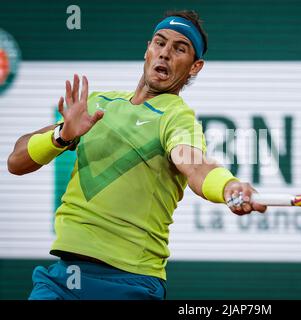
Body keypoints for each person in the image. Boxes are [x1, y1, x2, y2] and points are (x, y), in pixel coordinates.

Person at [7, 10, 266, 300]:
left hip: (130, 283)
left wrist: (227, 186)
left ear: (195, 67)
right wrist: (62, 137)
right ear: (148, 49)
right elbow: (15, 162)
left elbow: (195, 166)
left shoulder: (177, 118)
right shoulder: (98, 104)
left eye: (179, 49)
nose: (165, 53)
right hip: (63, 277)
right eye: (160, 43)